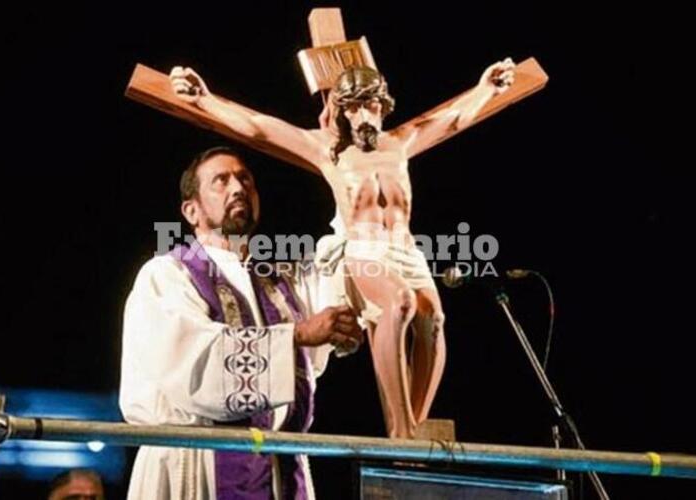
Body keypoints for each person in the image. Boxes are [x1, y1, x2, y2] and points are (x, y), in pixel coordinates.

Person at [169, 59, 515, 437]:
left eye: (370, 105)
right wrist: (206, 99)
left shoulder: (401, 142)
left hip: (406, 249)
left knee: (432, 320)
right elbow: (259, 128)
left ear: (383, 106)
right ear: (342, 111)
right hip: (364, 251)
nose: (363, 114)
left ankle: (414, 424)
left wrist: (487, 89)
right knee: (400, 304)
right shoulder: (328, 150)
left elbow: (452, 119)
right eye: (353, 106)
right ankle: (400, 430)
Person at [119, 147, 363, 499]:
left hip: (280, 467)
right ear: (192, 210)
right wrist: (296, 335)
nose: (238, 188)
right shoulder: (167, 275)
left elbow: (340, 263)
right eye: (222, 180)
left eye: (245, 179)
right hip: (195, 463)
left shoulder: (280, 283)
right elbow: (195, 363)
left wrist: (347, 160)